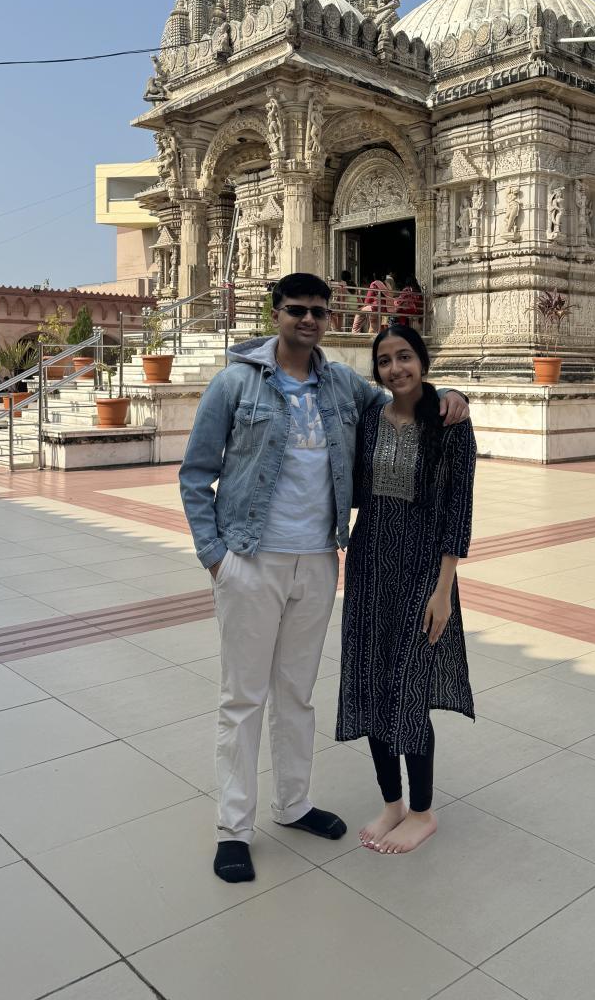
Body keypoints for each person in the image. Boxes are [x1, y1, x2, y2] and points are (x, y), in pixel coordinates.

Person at [178, 273, 468, 885]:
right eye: (296, 310)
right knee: (243, 698)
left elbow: (402, 394)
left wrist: (452, 393)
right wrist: (215, 557)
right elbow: (196, 472)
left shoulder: (339, 384)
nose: (307, 319)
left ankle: (293, 803)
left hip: (317, 560)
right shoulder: (235, 383)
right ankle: (234, 828)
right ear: (276, 314)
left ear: (329, 318)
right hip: (251, 558)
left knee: (296, 693)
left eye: (317, 311)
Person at [337, 324, 475, 854]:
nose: (396, 368)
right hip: (370, 565)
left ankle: (422, 811)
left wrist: (444, 591)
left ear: (423, 360)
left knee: (409, 688)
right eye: (385, 360)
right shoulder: (371, 420)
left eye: (405, 357)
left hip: (423, 573)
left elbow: (459, 511)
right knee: (373, 684)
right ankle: (391, 802)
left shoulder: (451, 423)